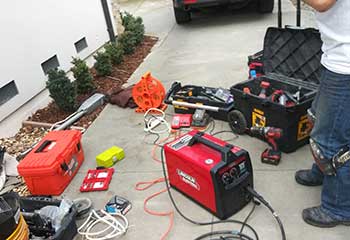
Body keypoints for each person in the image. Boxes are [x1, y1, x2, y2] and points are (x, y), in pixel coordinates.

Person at [295, 0, 350, 228]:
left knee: (330, 140)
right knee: (317, 117)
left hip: (345, 63)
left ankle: (339, 208)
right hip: (335, 54)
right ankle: (321, 170)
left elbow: (323, 3)